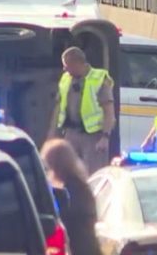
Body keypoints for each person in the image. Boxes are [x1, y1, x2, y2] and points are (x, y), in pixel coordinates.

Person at [48, 47, 115, 175]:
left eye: (66, 66)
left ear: (77, 63)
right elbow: (58, 107)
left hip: (93, 137)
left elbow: (109, 111)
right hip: (71, 133)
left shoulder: (99, 79)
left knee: (93, 174)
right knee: (67, 173)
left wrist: (105, 137)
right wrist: (52, 134)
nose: (64, 69)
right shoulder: (66, 79)